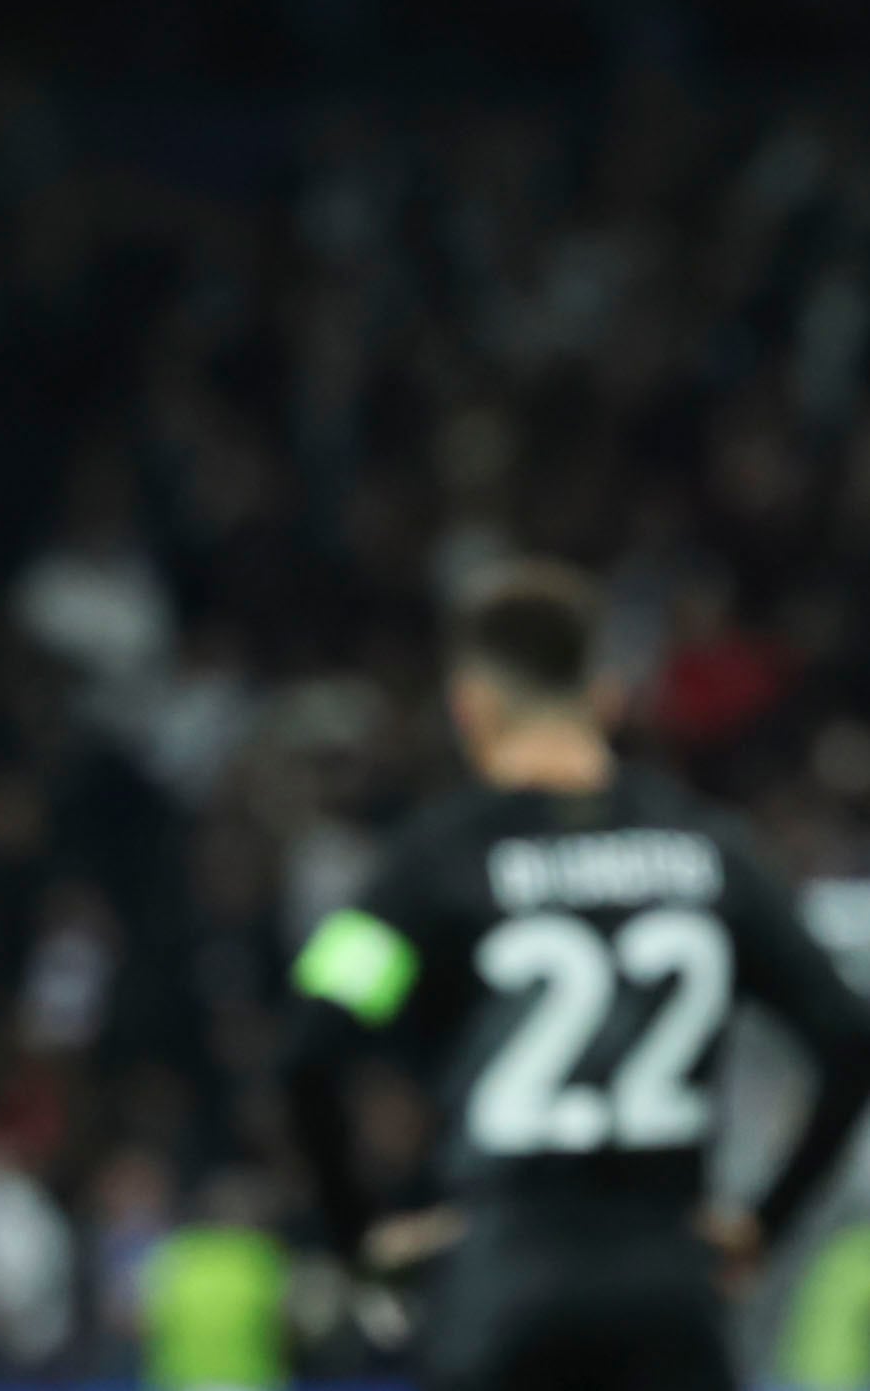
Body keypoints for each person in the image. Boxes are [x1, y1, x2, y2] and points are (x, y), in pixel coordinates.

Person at [279, 560, 870, 1391]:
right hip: (671, 1292)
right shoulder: (711, 852)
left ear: (470, 706)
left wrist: (362, 1236)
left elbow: (310, 1048)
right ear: (607, 696)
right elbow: (847, 1039)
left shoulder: (437, 861)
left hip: (501, 1283)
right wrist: (764, 1222)